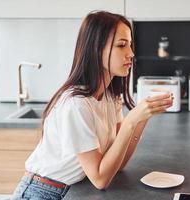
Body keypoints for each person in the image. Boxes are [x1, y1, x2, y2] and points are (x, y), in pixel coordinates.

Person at [11, 11, 173, 200]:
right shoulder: (76, 105)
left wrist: (142, 118)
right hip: (41, 192)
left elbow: (118, 165)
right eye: (121, 45)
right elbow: (100, 179)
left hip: (72, 189)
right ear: (96, 49)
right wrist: (131, 121)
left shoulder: (110, 96)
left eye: (130, 45)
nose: (131, 53)